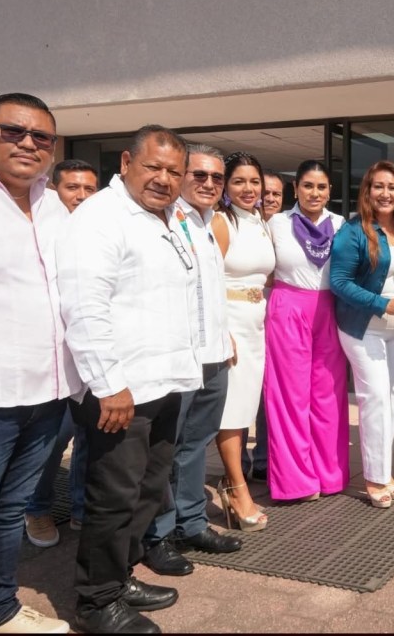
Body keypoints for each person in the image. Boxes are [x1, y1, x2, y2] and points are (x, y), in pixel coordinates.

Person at [58, 125, 200, 633]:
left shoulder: (167, 217)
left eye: (174, 171)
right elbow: (84, 304)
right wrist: (107, 383)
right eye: (153, 167)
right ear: (125, 162)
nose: (164, 179)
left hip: (165, 381)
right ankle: (97, 603)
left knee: (147, 489)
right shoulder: (101, 217)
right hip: (122, 389)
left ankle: (119, 576)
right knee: (113, 495)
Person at [0, 93, 77, 635]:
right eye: (13, 131)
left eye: (42, 137)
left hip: (46, 395)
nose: (29, 143)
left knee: (10, 514)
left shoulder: (53, 203)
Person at [140, 144, 241, 578]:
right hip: (178, 358)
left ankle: (192, 523)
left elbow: (209, 290)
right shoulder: (163, 219)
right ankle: (156, 537)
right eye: (199, 175)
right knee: (164, 453)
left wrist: (224, 335)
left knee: (196, 446)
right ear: (182, 176)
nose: (208, 184)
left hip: (213, 354)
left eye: (217, 178)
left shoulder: (209, 224)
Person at [330, 161, 394, 507]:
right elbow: (339, 282)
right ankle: (373, 477)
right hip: (363, 327)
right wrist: (382, 303)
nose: (385, 193)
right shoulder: (353, 232)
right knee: (375, 398)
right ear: (366, 191)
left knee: (392, 399)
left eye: (392, 187)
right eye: (378, 186)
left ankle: (385, 470)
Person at [23, 160, 99, 548]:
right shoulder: (45, 229)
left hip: (91, 354)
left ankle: (82, 508)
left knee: (89, 434)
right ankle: (37, 508)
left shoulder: (98, 230)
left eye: (89, 189)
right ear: (55, 189)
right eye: (73, 188)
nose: (81, 196)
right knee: (55, 439)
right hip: (51, 356)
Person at [264, 160, 349, 501]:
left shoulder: (342, 225)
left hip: (330, 310)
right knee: (289, 397)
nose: (315, 193)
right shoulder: (276, 224)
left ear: (330, 191)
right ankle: (295, 482)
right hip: (288, 309)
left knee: (329, 396)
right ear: (295, 187)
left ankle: (330, 475)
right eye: (308, 185)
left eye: (322, 187)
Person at [211, 152, 276, 528]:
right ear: (225, 187)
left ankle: (234, 479)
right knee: (233, 412)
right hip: (232, 322)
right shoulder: (222, 222)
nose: (249, 189)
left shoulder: (260, 222)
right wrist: (222, 331)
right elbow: (209, 279)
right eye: (239, 182)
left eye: (255, 182)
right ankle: (236, 487)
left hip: (257, 323)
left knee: (246, 408)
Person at [241, 170, 285, 481]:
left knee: (272, 391)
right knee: (245, 391)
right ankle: (239, 460)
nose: (268, 198)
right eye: (264, 191)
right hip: (247, 315)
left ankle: (265, 459)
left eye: (276, 194)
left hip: (280, 318)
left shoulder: (285, 228)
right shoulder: (242, 225)